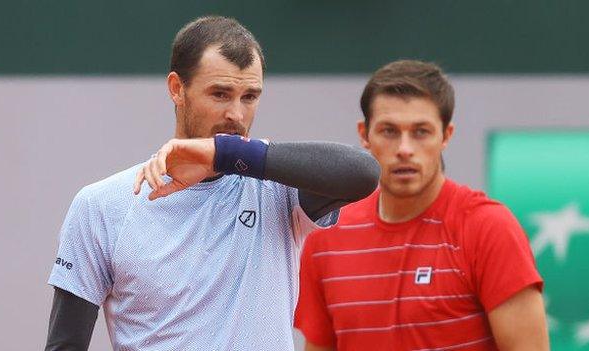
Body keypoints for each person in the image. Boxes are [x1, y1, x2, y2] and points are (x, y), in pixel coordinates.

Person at [44, 16, 380, 351]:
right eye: (220, 94)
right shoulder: (101, 205)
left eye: (249, 97)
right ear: (177, 88)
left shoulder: (278, 190)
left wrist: (224, 153)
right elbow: (64, 345)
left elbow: (363, 173)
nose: (236, 113)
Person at [294, 60, 549, 351]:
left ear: (446, 136)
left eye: (421, 132)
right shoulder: (326, 236)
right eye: (389, 131)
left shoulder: (489, 227)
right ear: (365, 134)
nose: (404, 149)